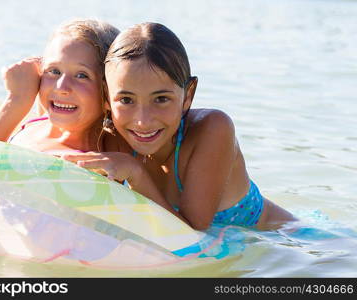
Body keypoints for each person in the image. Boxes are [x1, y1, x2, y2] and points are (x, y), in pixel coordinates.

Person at [63, 22, 297, 231]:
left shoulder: (213, 130)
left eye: (161, 99)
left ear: (188, 95)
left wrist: (135, 173)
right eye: (126, 100)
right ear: (106, 97)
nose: (142, 121)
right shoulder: (113, 136)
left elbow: (192, 233)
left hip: (286, 239)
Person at [0, 19, 119, 156]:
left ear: (109, 90)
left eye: (81, 75)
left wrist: (16, 100)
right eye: (54, 71)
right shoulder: (42, 120)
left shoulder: (88, 160)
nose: (60, 87)